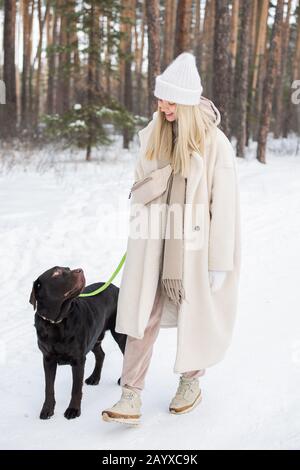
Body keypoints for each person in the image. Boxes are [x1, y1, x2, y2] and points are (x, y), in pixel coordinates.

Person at [102, 52, 241, 425]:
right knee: (141, 314)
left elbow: (224, 207)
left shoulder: (215, 145)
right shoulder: (153, 135)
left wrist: (219, 262)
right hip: (153, 239)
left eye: (169, 100)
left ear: (186, 102)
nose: (161, 106)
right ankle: (130, 393)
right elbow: (140, 182)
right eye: (160, 98)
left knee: (194, 314)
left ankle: (191, 382)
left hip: (193, 247)